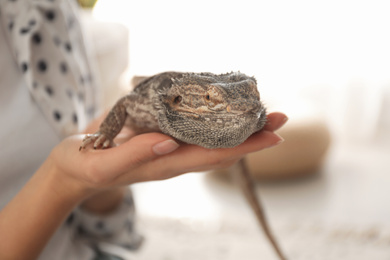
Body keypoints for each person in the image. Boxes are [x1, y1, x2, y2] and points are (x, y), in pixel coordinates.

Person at [0, 0, 287, 259]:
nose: (248, 106)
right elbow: (126, 102)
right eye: (211, 100)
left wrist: (97, 186)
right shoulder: (155, 104)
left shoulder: (52, 9)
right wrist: (69, 174)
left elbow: (107, 233)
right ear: (177, 101)